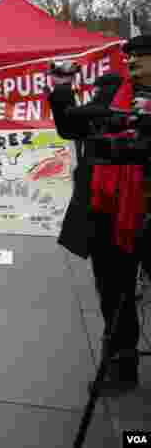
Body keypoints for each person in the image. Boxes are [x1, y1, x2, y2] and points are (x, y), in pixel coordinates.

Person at [48, 37, 151, 395]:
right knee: (113, 292)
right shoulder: (112, 90)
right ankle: (122, 367)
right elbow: (71, 127)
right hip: (108, 210)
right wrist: (62, 90)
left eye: (142, 56)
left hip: (145, 209)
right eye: (131, 56)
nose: (133, 61)